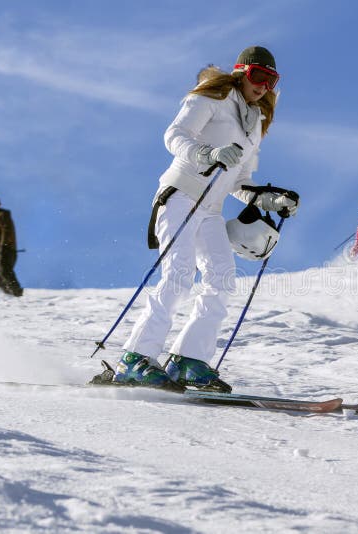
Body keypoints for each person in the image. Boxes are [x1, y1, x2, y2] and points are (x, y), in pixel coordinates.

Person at [116, 46, 298, 392]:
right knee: (179, 274)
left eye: (271, 80)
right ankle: (135, 358)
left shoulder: (255, 122)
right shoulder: (215, 96)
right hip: (180, 194)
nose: (263, 86)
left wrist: (268, 199)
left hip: (210, 209)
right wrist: (208, 153)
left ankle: (188, 359)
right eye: (258, 76)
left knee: (222, 278)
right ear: (241, 72)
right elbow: (174, 135)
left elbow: (239, 180)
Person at [0, 195, 23, 297]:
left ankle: (17, 293)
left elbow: (6, 231)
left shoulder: (3, 215)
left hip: (6, 249)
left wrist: (4, 246)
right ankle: (10, 295)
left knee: (4, 271)